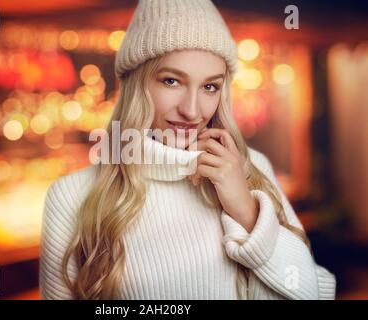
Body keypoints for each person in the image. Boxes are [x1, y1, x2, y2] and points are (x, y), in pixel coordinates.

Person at [39, 0, 336, 300]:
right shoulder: (71, 197)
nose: (192, 110)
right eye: (171, 81)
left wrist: (246, 211)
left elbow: (315, 292)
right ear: (135, 84)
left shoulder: (251, 167)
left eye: (210, 87)